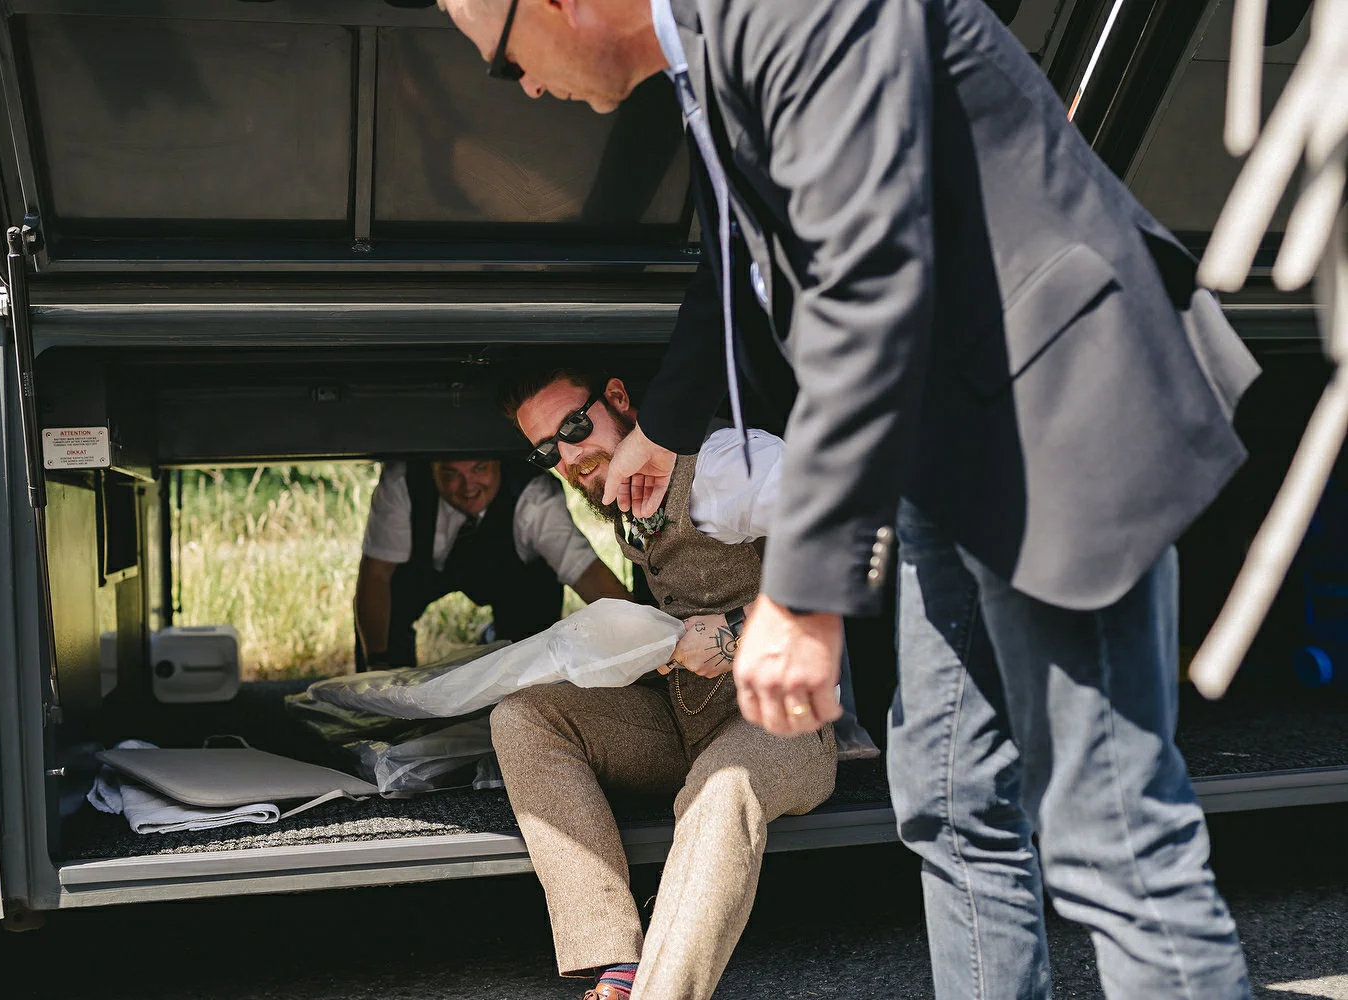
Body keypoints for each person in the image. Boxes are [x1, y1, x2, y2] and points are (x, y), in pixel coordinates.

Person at [439, 0, 1259, 997]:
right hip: (947, 443)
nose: (522, 86)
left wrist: (799, 596)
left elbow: (867, 289)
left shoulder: (784, 10)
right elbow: (736, 272)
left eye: (501, 60)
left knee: (1108, 830)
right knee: (948, 799)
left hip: (1048, 407)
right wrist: (659, 429)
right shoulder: (706, 60)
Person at [491, 367, 870, 1000]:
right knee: (524, 715)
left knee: (721, 790)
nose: (570, 456)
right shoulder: (624, 486)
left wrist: (735, 631)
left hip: (784, 722)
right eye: (546, 450)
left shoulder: (722, 464)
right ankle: (613, 956)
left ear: (619, 400)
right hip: (684, 718)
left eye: (576, 427)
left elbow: (846, 526)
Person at [355, 457, 628, 668]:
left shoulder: (532, 494)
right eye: (451, 474)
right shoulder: (402, 482)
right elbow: (376, 574)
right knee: (392, 596)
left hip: (509, 576)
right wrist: (377, 663)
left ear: (497, 463)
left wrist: (641, 632)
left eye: (479, 469)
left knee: (539, 588)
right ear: (432, 469)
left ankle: (504, 653)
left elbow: (583, 568)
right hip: (423, 569)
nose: (468, 486)